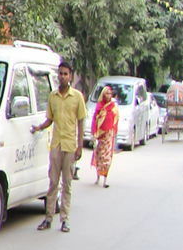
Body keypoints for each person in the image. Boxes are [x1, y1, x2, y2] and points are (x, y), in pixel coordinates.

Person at [31, 61, 84, 233]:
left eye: (66, 74)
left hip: (69, 144)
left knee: (67, 183)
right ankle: (48, 218)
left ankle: (65, 219)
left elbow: (81, 121)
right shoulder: (53, 96)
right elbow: (49, 119)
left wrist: (80, 145)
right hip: (56, 144)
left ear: (71, 76)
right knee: (53, 182)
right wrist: (39, 127)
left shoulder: (77, 97)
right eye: (60, 73)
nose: (63, 76)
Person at [90, 84, 118, 186]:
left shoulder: (113, 107)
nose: (108, 95)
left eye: (110, 93)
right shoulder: (99, 106)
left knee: (107, 157)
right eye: (106, 93)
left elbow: (115, 119)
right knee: (98, 156)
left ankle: (105, 180)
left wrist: (114, 131)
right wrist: (94, 132)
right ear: (103, 94)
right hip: (99, 135)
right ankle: (98, 177)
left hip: (109, 135)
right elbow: (95, 119)